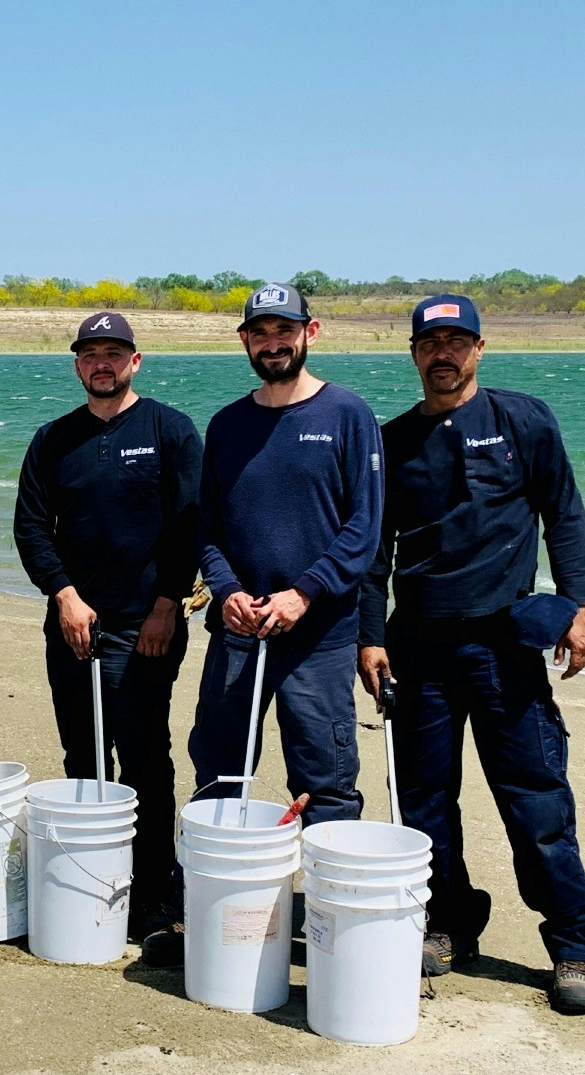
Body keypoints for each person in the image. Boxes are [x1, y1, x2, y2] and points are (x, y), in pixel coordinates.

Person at [358, 294, 585, 1014]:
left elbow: (563, 510)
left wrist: (579, 607)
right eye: (431, 342)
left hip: (507, 645)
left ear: (479, 347)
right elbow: (377, 554)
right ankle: (450, 923)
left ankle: (573, 945)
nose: (445, 353)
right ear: (412, 353)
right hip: (419, 649)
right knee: (426, 803)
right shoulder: (391, 440)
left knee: (535, 799)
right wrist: (370, 636)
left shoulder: (521, 419)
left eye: (457, 340)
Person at [144, 282, 383, 966]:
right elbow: (209, 530)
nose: (272, 343)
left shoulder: (347, 414)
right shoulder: (226, 425)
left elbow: (363, 530)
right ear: (244, 341)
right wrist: (225, 593)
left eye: (285, 330)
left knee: (328, 782)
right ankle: (203, 913)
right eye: (259, 332)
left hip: (319, 639)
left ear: (311, 332)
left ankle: (335, 929)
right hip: (239, 636)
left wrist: (305, 594)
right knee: (219, 773)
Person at [13, 311, 202, 937]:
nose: (103, 364)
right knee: (84, 753)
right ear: (76, 365)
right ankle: (95, 877)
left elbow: (190, 526)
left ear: (135, 361)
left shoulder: (170, 430)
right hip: (72, 622)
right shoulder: (53, 439)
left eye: (114, 353)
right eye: (91, 354)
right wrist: (64, 596)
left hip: (145, 624)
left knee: (146, 756)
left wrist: (167, 605)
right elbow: (32, 529)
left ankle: (155, 894)